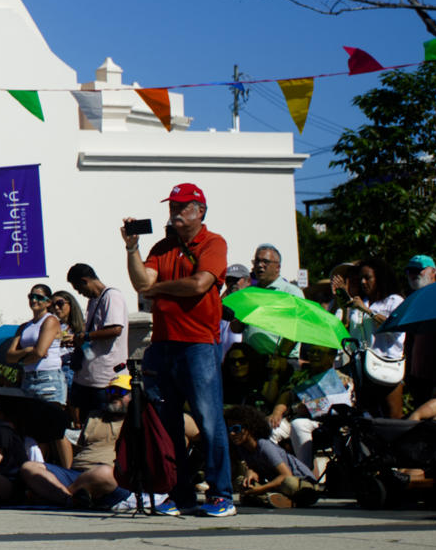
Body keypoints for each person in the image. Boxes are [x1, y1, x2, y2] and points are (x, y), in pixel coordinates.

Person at [124, 182, 234, 518]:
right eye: (172, 206)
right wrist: (132, 249)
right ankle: (178, 491)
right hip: (163, 344)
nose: (175, 212)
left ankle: (221, 494)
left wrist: (158, 289)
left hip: (198, 344)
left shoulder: (213, 243)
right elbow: (142, 284)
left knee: (209, 419)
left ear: (200, 211)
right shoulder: (162, 246)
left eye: (183, 207)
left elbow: (200, 284)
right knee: (165, 422)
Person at [334, 259, 404, 417]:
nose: (363, 282)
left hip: (387, 366)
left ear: (379, 278)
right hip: (363, 370)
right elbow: (346, 330)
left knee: (392, 418)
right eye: (361, 279)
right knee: (367, 417)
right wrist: (344, 306)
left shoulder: (394, 301)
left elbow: (394, 327)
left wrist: (367, 311)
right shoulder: (361, 302)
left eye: (368, 278)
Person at [227, 406, 321, 508]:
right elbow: (256, 467)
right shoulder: (242, 448)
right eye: (229, 429)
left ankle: (276, 499)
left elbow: (286, 475)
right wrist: (251, 471)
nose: (232, 433)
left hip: (301, 484)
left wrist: (260, 489)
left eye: (236, 429)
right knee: (242, 483)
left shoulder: (264, 445)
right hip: (278, 485)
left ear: (250, 428)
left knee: (289, 483)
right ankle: (279, 499)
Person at [67, 263, 128, 414]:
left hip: (106, 379)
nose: (80, 293)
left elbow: (115, 329)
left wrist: (86, 336)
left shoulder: (112, 296)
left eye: (78, 288)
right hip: (88, 377)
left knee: (103, 424)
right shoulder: (92, 301)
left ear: (85, 280)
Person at [1, 286, 64, 404]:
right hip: (28, 378)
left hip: (48, 377)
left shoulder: (50, 320)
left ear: (48, 302)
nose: (34, 300)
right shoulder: (24, 327)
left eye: (39, 297)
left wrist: (22, 360)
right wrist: (28, 350)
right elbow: (9, 356)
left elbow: (40, 352)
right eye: (31, 297)